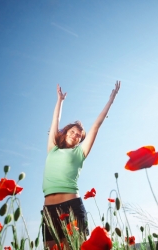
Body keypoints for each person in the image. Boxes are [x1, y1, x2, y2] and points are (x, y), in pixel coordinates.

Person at [42, 81, 121, 249]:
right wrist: (60, 101)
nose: (75, 135)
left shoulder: (80, 153)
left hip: (71, 206)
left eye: (79, 135)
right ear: (65, 133)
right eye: (72, 132)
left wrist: (111, 100)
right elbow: (55, 120)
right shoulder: (52, 149)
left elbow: (96, 126)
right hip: (49, 210)